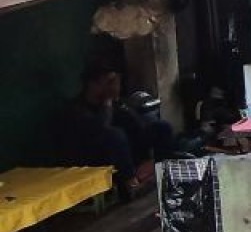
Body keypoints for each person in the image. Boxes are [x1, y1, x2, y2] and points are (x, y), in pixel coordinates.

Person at [54, 65, 172, 195]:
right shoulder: (77, 109)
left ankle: (163, 173)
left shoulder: (113, 103)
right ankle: (131, 185)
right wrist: (107, 104)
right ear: (93, 84)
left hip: (121, 154)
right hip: (92, 158)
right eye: (108, 82)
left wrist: (119, 103)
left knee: (162, 127)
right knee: (115, 134)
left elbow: (138, 127)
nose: (112, 87)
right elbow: (100, 131)